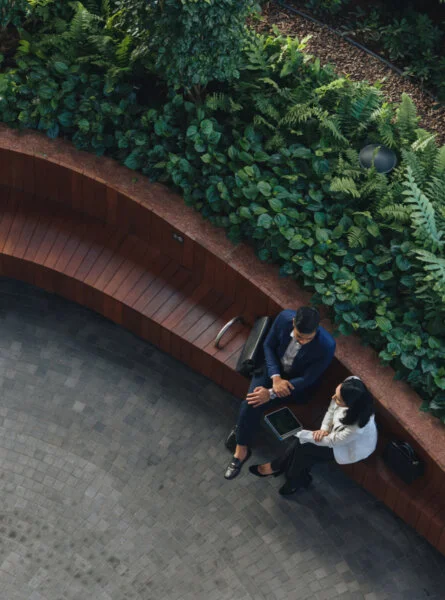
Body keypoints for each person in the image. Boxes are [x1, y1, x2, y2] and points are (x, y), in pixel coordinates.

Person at [224, 307, 336, 480]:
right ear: (293, 323)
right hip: (272, 370)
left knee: (255, 402)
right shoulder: (284, 318)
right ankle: (241, 449)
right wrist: (275, 378)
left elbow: (308, 378)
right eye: (299, 337)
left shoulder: (327, 345)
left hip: (295, 384)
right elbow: (268, 346)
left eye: (308, 338)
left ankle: (243, 428)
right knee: (251, 401)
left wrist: (271, 393)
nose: (303, 342)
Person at [249, 376, 377, 495]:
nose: (333, 398)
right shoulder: (351, 382)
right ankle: (293, 478)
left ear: (350, 405)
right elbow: (331, 410)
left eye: (338, 399)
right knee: (303, 449)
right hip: (333, 435)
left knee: (302, 446)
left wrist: (297, 432)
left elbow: (333, 442)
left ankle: (280, 468)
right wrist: (324, 429)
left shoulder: (357, 426)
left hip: (345, 447)